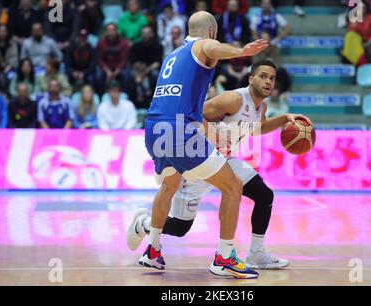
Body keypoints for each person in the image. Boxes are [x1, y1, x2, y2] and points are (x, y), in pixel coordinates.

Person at [129, 59, 312, 270]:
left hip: (223, 162)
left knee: (264, 195)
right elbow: (194, 113)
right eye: (263, 76)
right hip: (198, 163)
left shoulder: (261, 107)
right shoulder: (234, 99)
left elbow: (257, 128)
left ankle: (256, 254)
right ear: (251, 79)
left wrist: (284, 119)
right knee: (180, 227)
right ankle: (143, 225)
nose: (268, 81)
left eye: (272, 78)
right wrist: (212, 132)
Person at [135, 10, 269, 279]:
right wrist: (241, 50)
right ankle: (224, 256)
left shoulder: (172, 56)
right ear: (211, 31)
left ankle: (152, 249)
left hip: (154, 127)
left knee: (169, 184)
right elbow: (211, 47)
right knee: (232, 186)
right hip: (179, 130)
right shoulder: (201, 44)